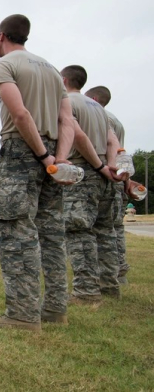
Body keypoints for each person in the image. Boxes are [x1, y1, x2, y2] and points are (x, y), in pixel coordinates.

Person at [0, 14, 74, 331]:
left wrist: (44, 155)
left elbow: (19, 113)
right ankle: (55, 308)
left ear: (2, 36)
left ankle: (22, 315)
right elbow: (66, 122)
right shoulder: (51, 70)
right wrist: (58, 160)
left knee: (15, 231)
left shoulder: (4, 65)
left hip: (23, 150)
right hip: (54, 154)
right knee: (50, 233)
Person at [60, 66, 122, 303]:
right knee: (105, 231)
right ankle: (109, 285)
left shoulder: (67, 102)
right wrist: (111, 167)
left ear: (64, 80)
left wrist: (96, 166)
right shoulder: (98, 108)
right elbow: (111, 139)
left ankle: (86, 291)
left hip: (84, 171)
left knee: (78, 231)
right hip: (105, 175)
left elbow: (76, 135)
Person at [86, 86, 131, 283]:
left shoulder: (101, 116)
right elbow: (121, 151)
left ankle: (108, 273)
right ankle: (118, 271)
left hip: (103, 172)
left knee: (100, 228)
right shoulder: (116, 120)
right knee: (113, 227)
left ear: (94, 99)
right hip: (116, 175)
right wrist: (126, 179)